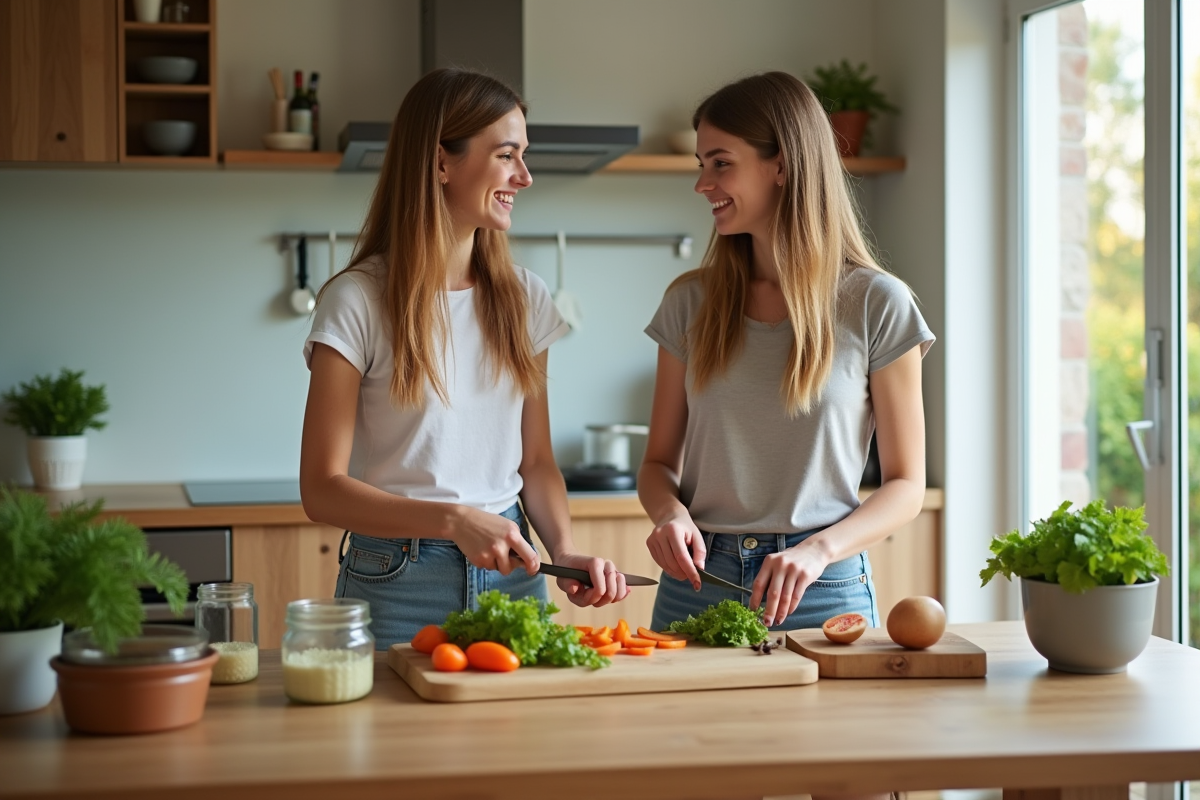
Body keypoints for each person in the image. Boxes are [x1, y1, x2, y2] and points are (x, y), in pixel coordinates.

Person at [299, 68, 629, 649]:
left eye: (523, 156)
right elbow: (321, 489)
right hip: (396, 581)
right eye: (507, 155)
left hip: (512, 576)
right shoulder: (355, 300)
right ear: (440, 162)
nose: (524, 177)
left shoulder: (525, 297)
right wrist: (452, 520)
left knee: (510, 744)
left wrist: (566, 548)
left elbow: (537, 461)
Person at [639, 71, 934, 638]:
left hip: (822, 586)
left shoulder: (878, 303)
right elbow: (657, 465)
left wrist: (819, 551)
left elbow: (905, 486)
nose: (703, 183)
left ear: (783, 164)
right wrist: (670, 514)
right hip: (698, 582)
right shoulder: (688, 302)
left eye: (720, 162)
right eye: (701, 164)